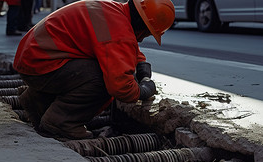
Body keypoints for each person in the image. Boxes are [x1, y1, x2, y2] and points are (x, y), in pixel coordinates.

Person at [13, 0, 175, 140]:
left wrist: (142, 68)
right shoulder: (119, 30)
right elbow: (121, 87)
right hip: (41, 64)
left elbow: (126, 49)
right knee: (105, 79)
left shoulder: (114, 11)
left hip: (34, 59)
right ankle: (61, 122)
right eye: (148, 34)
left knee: (100, 68)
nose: (142, 39)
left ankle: (36, 101)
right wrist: (143, 91)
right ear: (144, 28)